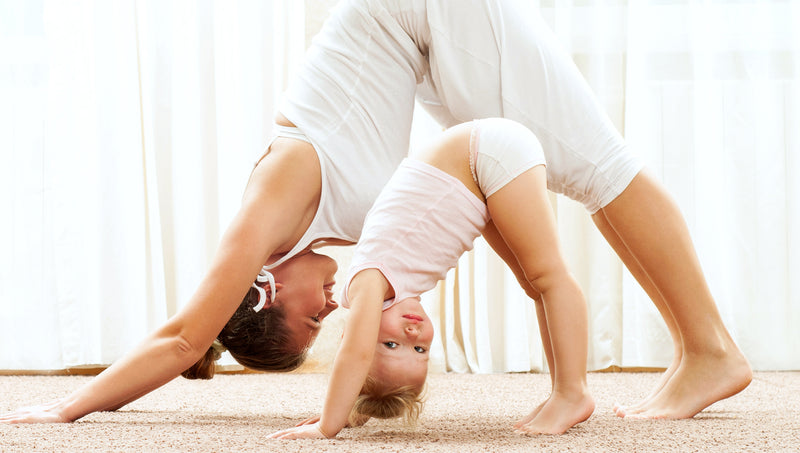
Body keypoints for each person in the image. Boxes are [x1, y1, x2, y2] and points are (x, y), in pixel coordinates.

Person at [1, 0, 750, 424]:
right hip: (422, 42)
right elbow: (449, 208)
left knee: (597, 165)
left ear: (264, 286)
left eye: (310, 313)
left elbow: (182, 335)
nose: (330, 305)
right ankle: (696, 352)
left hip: (424, 10)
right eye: (327, 317)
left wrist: (66, 408)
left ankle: (711, 350)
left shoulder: (274, 196)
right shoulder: (333, 235)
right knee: (568, 177)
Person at [269, 118, 594, 439]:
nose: (413, 333)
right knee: (535, 284)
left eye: (393, 344)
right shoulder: (389, 285)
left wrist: (329, 423)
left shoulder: (368, 282)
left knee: (547, 277)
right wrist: (358, 408)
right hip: (479, 173)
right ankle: (561, 391)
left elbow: (356, 355)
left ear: (354, 334)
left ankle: (572, 393)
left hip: (481, 154)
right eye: (420, 351)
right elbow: (367, 363)